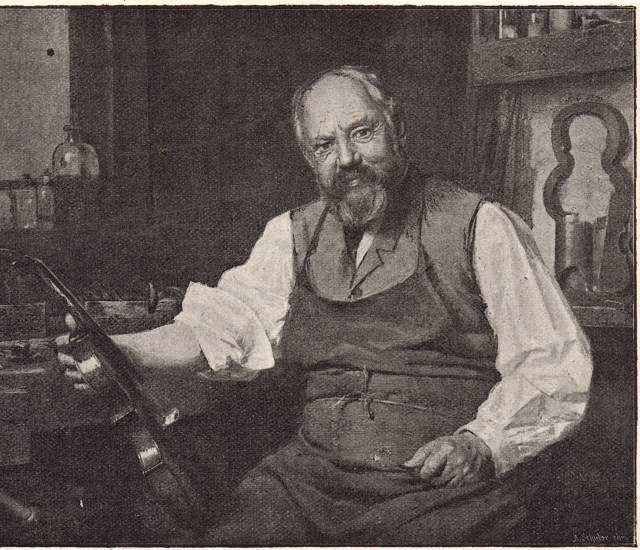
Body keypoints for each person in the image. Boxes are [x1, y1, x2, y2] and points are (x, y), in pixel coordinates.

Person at [58, 66, 592, 545]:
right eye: (325, 145)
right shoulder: (293, 234)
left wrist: (481, 443)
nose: (347, 159)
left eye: (362, 132)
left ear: (398, 129)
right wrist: (122, 349)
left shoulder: (481, 225)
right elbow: (225, 326)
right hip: (311, 485)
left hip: (438, 490)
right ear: (311, 159)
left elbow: (553, 365)